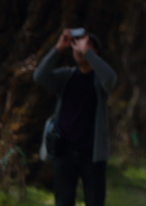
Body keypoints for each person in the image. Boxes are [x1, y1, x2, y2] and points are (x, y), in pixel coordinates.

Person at [34, 29, 118, 206]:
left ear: (96, 53)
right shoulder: (66, 77)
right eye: (76, 46)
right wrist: (59, 47)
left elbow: (110, 77)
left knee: (95, 201)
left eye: (87, 46)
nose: (79, 49)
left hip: (92, 154)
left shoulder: (99, 80)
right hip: (64, 152)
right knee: (63, 202)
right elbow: (39, 76)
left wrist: (87, 51)